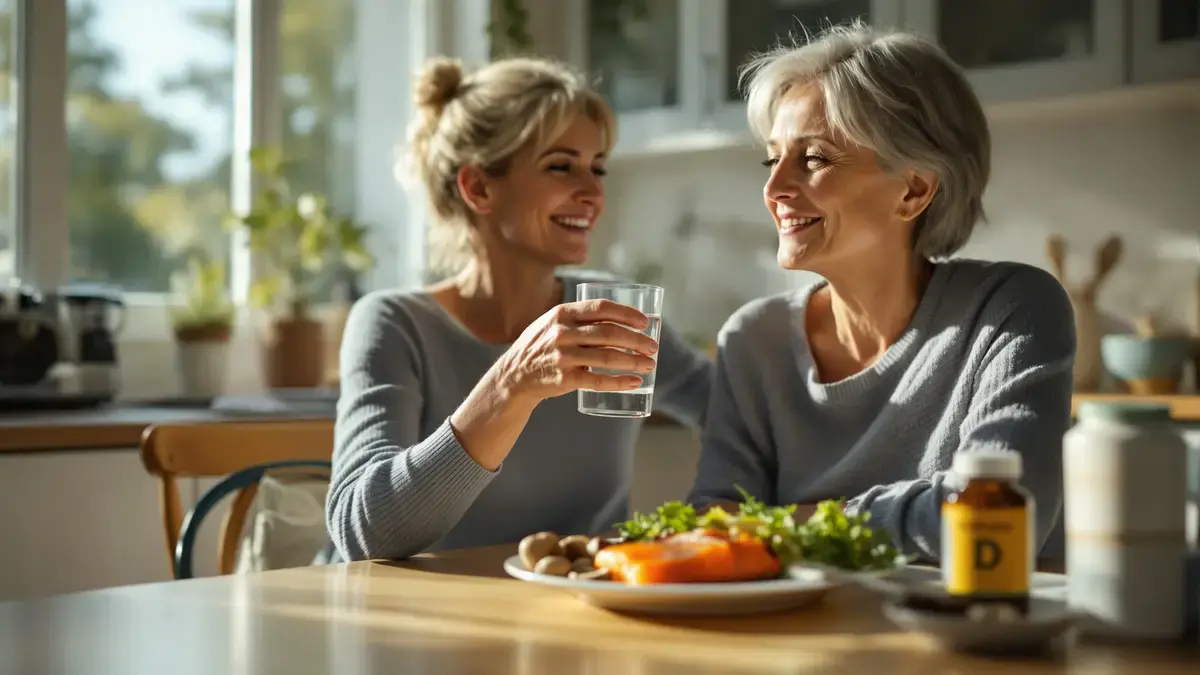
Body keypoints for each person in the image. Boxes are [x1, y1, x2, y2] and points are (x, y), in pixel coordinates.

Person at [686, 22, 1075, 562]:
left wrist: (803, 521)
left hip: (977, 637)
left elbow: (1002, 516)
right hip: (806, 642)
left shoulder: (1011, 310)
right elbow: (710, 531)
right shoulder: (754, 341)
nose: (774, 190)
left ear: (913, 190)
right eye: (772, 159)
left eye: (814, 158)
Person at [325, 56, 711, 562]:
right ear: (479, 188)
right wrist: (511, 385)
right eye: (560, 166)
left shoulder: (608, 310)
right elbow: (363, 532)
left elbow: (741, 418)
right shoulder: (394, 323)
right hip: (407, 621)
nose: (593, 193)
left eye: (597, 169)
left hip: (568, 616)